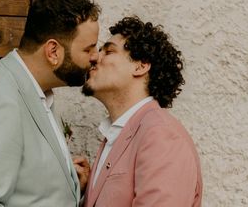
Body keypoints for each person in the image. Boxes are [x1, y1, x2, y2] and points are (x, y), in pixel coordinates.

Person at [0, 0, 100, 207]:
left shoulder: (37, 93)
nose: (96, 57)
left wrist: (68, 185)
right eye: (88, 49)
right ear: (53, 51)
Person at [81, 16, 202, 207]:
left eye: (109, 51)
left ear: (140, 66)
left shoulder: (161, 134)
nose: (94, 57)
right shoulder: (118, 135)